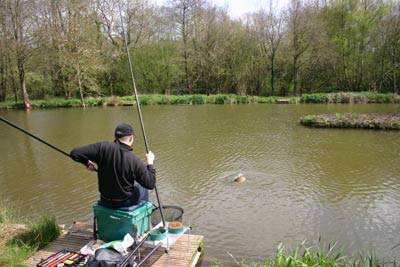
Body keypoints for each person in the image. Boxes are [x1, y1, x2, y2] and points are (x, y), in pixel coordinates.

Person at [70, 123, 156, 209]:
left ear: (116, 137)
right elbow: (151, 184)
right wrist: (150, 163)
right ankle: (143, 217)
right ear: (131, 138)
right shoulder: (134, 161)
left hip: (105, 200)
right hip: (124, 202)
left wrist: (86, 162)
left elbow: (75, 153)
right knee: (142, 187)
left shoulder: (101, 147)